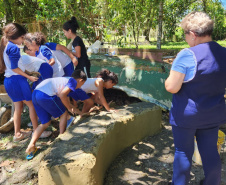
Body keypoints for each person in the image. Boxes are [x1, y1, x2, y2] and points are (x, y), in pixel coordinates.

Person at [165, 11, 226, 185]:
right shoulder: (224, 53)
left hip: (187, 116)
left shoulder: (187, 55)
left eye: (185, 34)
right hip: (213, 114)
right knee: (210, 152)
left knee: (183, 152)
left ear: (192, 34)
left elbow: (171, 86)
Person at [25, 69, 89, 159]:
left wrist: (81, 113)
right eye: (82, 84)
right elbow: (63, 96)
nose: (79, 87)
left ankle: (31, 144)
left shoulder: (64, 82)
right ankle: (61, 137)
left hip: (36, 94)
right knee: (63, 113)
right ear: (80, 80)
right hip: (45, 95)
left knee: (45, 123)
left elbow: (66, 101)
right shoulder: (73, 82)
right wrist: (69, 108)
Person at [0, 23, 39, 142]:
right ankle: (38, 131)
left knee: (18, 107)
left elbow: (15, 67)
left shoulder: (7, 45)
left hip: (9, 81)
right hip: (18, 81)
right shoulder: (14, 48)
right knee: (31, 105)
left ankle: (17, 134)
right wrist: (29, 77)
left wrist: (28, 72)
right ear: (15, 36)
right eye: (22, 38)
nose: (23, 41)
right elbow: (14, 68)